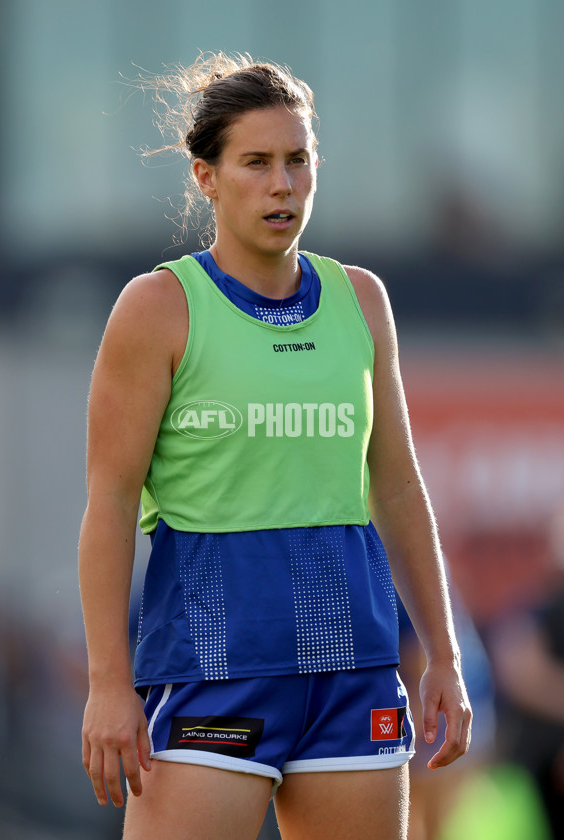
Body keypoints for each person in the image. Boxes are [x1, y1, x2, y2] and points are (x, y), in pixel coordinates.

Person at [79, 52, 472, 840]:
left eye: (298, 160)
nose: (282, 184)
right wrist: (107, 683)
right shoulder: (158, 308)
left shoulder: (362, 300)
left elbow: (397, 488)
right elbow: (111, 502)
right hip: (211, 676)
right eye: (255, 162)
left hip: (352, 677)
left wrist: (444, 658)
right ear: (206, 178)